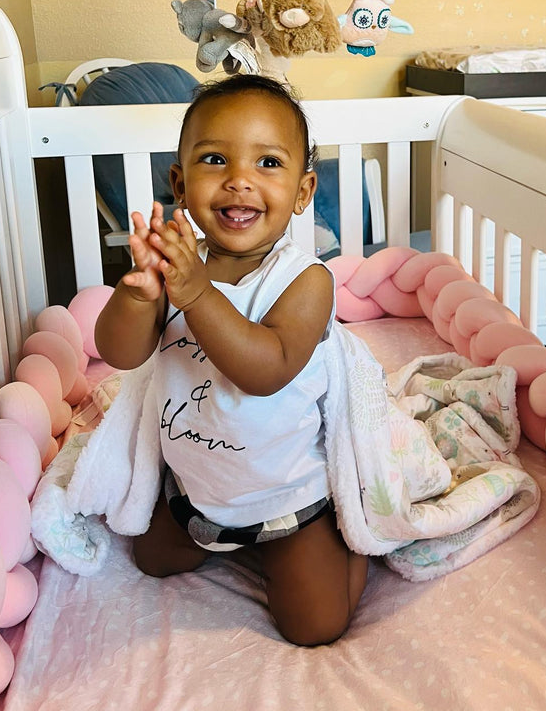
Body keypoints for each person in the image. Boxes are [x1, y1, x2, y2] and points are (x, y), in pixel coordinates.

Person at [94, 74, 368, 646]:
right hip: (196, 487)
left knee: (315, 626)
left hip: (285, 495)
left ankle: (348, 546)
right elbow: (121, 355)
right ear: (181, 182)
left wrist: (192, 293)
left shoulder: (304, 280)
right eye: (215, 159)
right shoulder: (175, 266)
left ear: (302, 190)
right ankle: (213, 531)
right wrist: (139, 296)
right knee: (151, 559)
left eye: (268, 163)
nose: (240, 181)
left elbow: (265, 370)